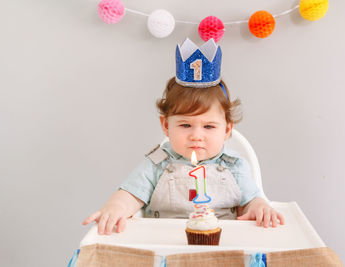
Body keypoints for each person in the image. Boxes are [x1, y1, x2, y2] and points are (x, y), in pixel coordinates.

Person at [82, 38, 284, 235]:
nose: (196, 136)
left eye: (209, 126)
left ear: (227, 130)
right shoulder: (157, 164)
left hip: (222, 244)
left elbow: (252, 201)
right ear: (166, 125)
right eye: (186, 125)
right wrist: (115, 207)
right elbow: (130, 195)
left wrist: (259, 208)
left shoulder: (235, 166)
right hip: (165, 244)